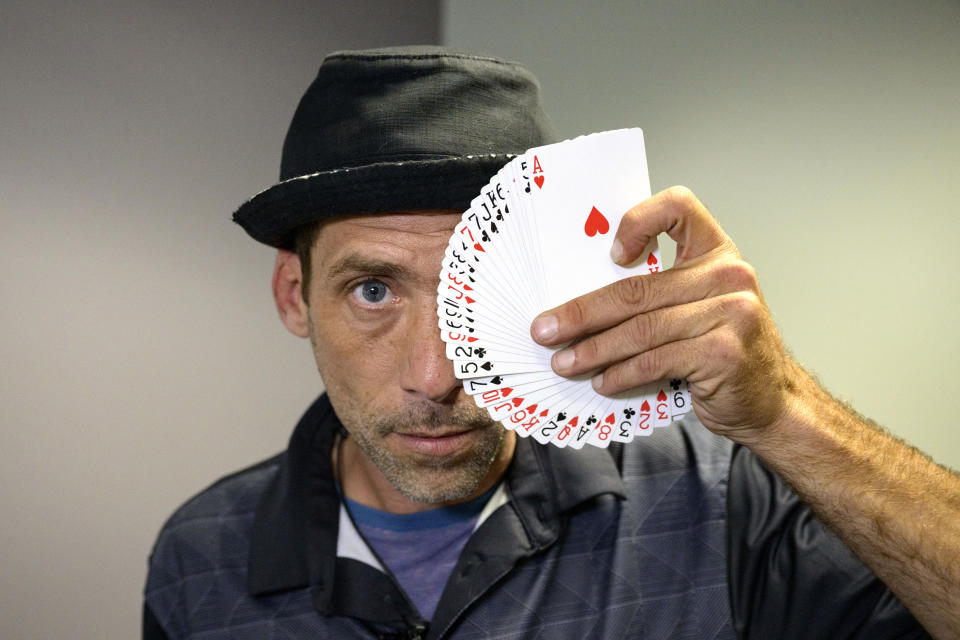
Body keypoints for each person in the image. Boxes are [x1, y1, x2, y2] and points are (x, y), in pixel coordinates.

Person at [143, 46, 959, 640]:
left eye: (475, 296)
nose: (437, 375)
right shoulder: (201, 555)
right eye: (374, 291)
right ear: (296, 296)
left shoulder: (718, 502)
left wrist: (786, 414)